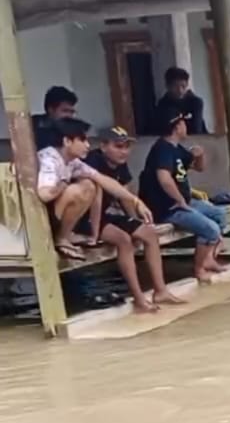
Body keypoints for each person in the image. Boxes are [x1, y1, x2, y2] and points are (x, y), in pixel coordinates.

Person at [83, 127, 185, 311]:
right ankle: (139, 299)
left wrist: (135, 222)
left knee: (149, 233)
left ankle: (160, 291)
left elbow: (125, 195)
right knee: (123, 240)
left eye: (126, 147)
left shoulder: (120, 164)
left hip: (105, 216)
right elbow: (94, 201)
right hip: (85, 218)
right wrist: (94, 233)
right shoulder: (92, 162)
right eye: (118, 146)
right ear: (104, 146)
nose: (124, 151)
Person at [37, 117, 153, 263]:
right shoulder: (50, 159)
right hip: (40, 220)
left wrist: (136, 201)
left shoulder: (73, 161)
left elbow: (103, 180)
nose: (87, 145)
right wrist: (62, 185)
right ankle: (61, 238)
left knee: (91, 183)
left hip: (55, 215)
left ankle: (65, 236)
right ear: (67, 141)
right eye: (83, 140)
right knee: (80, 189)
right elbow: (44, 195)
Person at [140, 110, 227, 283]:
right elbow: (164, 179)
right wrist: (180, 200)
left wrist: (200, 155)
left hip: (184, 202)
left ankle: (208, 258)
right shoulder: (162, 149)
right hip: (168, 207)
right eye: (183, 123)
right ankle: (199, 269)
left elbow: (199, 168)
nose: (186, 126)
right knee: (211, 229)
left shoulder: (177, 148)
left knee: (220, 214)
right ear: (177, 126)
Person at [152, 67, 208, 135]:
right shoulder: (163, 105)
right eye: (175, 86)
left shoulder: (195, 102)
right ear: (168, 86)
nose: (180, 90)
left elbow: (197, 129)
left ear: (187, 85)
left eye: (183, 86)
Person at [32, 86, 78, 150]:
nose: (70, 116)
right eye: (65, 111)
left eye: (72, 112)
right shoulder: (30, 126)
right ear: (51, 110)